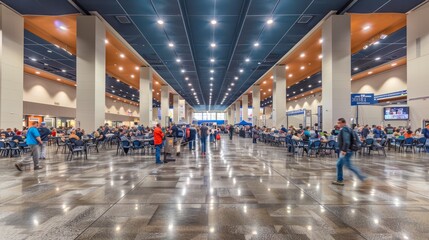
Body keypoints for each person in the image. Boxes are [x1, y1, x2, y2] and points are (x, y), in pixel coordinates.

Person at [332, 118, 366, 186]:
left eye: (339, 123)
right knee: (339, 164)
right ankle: (339, 180)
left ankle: (363, 178)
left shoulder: (345, 129)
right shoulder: (349, 129)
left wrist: (344, 150)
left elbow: (346, 140)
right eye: (338, 123)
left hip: (346, 151)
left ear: (344, 123)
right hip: (347, 150)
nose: (338, 124)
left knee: (349, 166)